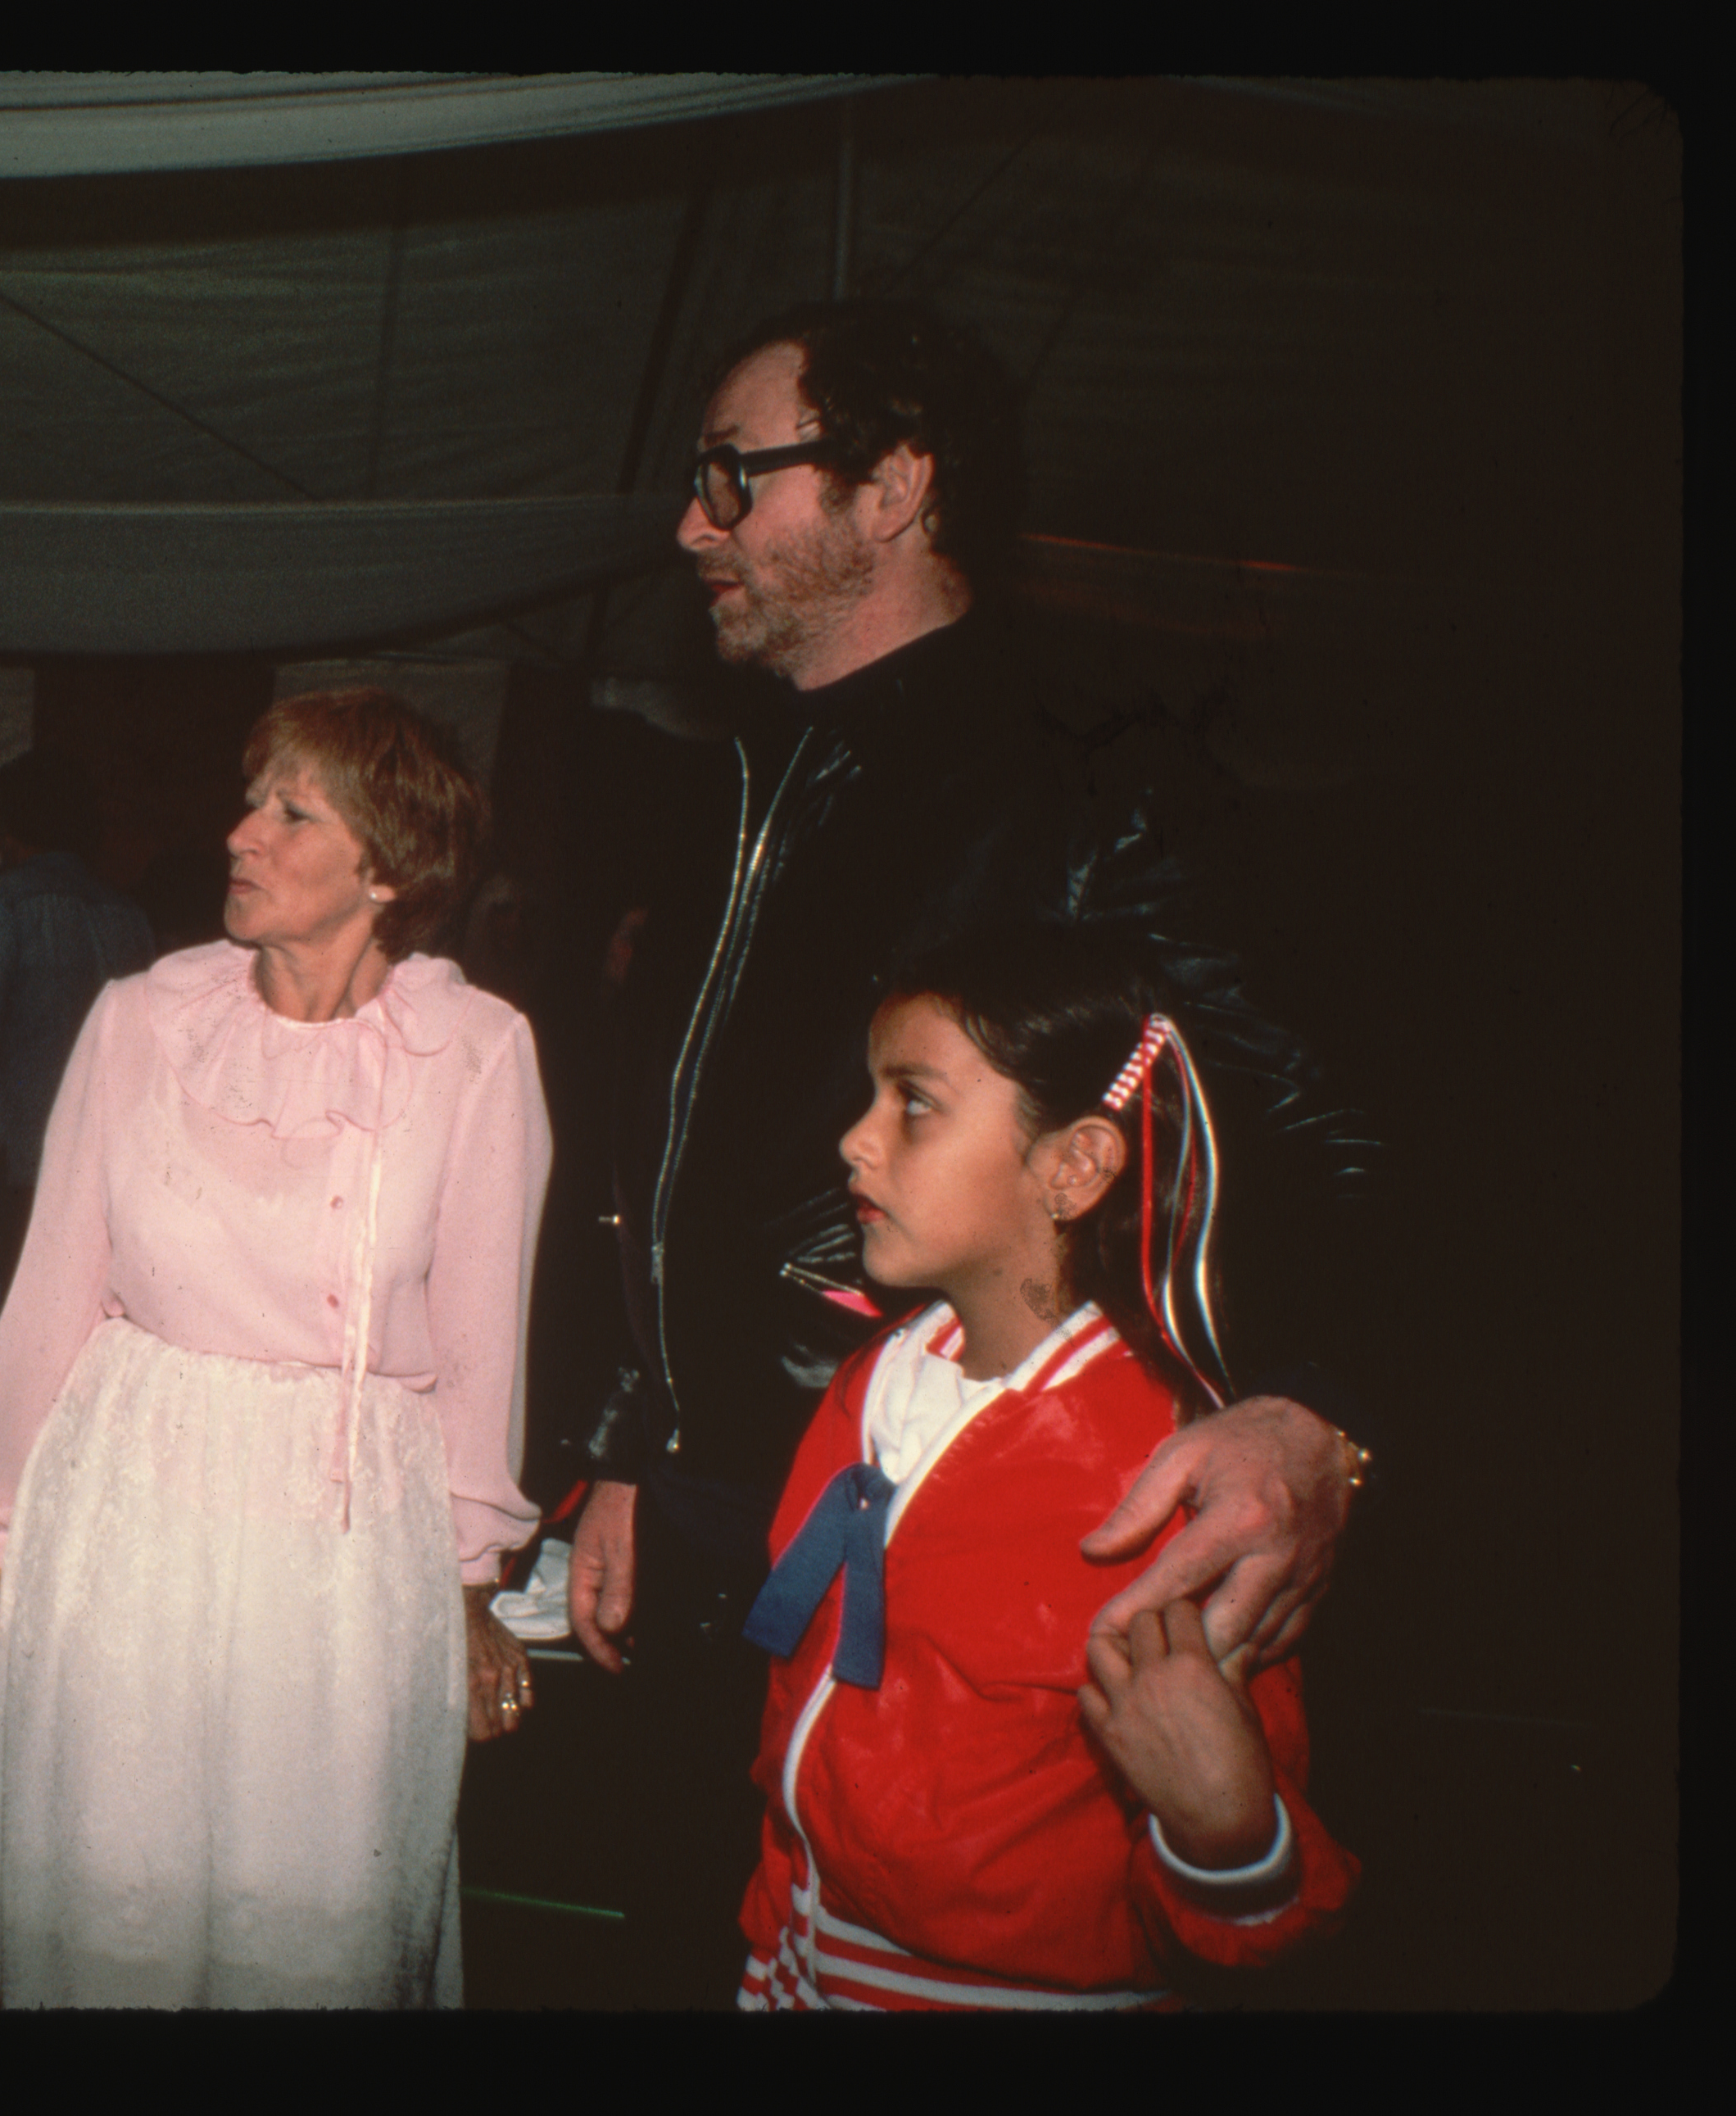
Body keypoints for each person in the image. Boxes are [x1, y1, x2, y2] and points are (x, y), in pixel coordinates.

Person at [560, 302, 1376, 2000]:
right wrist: (633, 1431)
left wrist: (1305, 1406)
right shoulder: (735, 770)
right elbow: (681, 1151)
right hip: (733, 1504)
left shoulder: (1090, 774)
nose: (689, 521)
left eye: (734, 472)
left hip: (955, 1532)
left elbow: (1314, 1123)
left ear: (894, 485)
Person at [0, 687, 552, 2009]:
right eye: (250, 797)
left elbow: (485, 1346)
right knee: (115, 1891)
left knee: (307, 1909)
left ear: (386, 867)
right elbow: (52, 1292)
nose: (238, 832)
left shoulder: (475, 1052)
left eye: (288, 811)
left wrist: (468, 1583)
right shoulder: (143, 1018)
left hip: (339, 1546)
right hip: (127, 1510)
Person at [735, 926, 1356, 2008]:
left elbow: (1262, 1902)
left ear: (1073, 1164)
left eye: (912, 1102)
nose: (854, 1140)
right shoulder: (870, 1381)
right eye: (868, 1095)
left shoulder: (1165, 1475)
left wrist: (1225, 1830)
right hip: (797, 1942)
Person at [0, 746, 156, 1298]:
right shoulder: (129, 917)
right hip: (110, 1168)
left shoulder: (1, 902)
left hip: (16, 1170)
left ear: (9, 827)